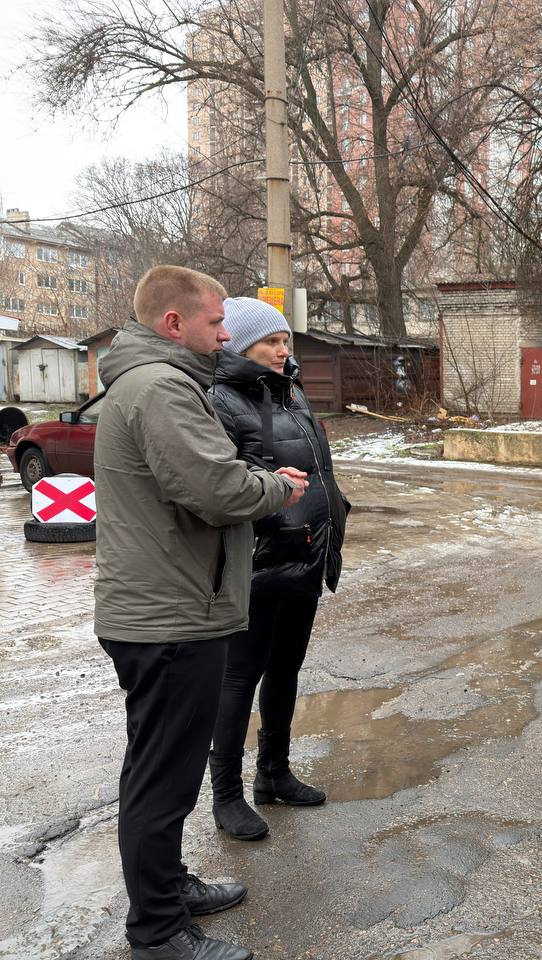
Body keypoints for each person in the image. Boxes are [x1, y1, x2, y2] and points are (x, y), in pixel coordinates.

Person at [94, 267, 306, 960]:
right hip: (171, 614)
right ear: (173, 324)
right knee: (163, 778)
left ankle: (169, 888)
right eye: (217, 323)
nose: (226, 335)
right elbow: (215, 489)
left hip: (168, 606)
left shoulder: (154, 380)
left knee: (159, 770)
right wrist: (276, 485)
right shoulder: (161, 388)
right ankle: (158, 931)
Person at [205, 298, 350, 841]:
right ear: (242, 344)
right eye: (271, 341)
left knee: (286, 671)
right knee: (239, 678)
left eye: (285, 340)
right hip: (257, 564)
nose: (283, 349)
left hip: (306, 553)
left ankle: (274, 772)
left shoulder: (290, 391)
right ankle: (227, 795)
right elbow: (219, 480)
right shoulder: (220, 400)